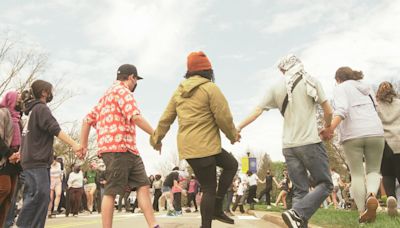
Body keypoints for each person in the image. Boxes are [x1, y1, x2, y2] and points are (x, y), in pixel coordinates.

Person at [237, 54, 334, 228]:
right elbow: (328, 111)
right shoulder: (311, 81)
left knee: (300, 190)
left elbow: (258, 110)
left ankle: (296, 218)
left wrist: (239, 127)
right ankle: (297, 213)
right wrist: (328, 128)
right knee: (326, 183)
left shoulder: (275, 87)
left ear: (283, 69)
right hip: (310, 142)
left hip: (289, 147)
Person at [150, 51, 240, 228]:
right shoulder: (210, 88)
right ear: (208, 71)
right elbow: (223, 116)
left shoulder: (179, 92)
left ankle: (217, 206)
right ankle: (209, 219)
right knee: (208, 188)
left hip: (190, 149)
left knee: (231, 164)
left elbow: (165, 119)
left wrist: (156, 140)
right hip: (206, 147)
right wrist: (232, 135)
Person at [80, 64, 160, 228]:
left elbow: (87, 120)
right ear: (132, 77)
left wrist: (83, 144)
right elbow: (136, 117)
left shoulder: (105, 96)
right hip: (117, 149)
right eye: (136, 79)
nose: (136, 83)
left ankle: (154, 225)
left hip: (128, 149)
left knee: (143, 185)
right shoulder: (123, 91)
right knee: (111, 191)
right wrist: (155, 135)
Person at [16, 80, 81, 228]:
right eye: (50, 91)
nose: (52, 94)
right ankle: (25, 225)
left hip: (30, 159)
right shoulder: (41, 108)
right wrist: (75, 144)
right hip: (36, 160)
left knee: (36, 196)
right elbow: (55, 129)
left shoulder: (32, 111)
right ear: (44, 92)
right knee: (40, 195)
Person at [325, 67, 384, 223]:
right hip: (375, 132)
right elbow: (377, 109)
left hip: (353, 134)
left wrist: (330, 128)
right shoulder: (367, 87)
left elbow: (342, 110)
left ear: (338, 79)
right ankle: (371, 195)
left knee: (357, 174)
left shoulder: (340, 88)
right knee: (373, 170)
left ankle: (362, 211)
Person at [376, 81, 400, 217]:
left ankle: (391, 199)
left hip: (384, 144)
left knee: (387, 175)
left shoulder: (376, 106)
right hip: (399, 142)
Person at [0, 91, 23, 227]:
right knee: (4, 188)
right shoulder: (2, 113)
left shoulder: (19, 119)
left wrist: (19, 154)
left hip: (15, 159)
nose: (20, 101)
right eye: (18, 99)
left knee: (9, 198)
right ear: (11, 100)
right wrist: (9, 154)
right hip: (4, 158)